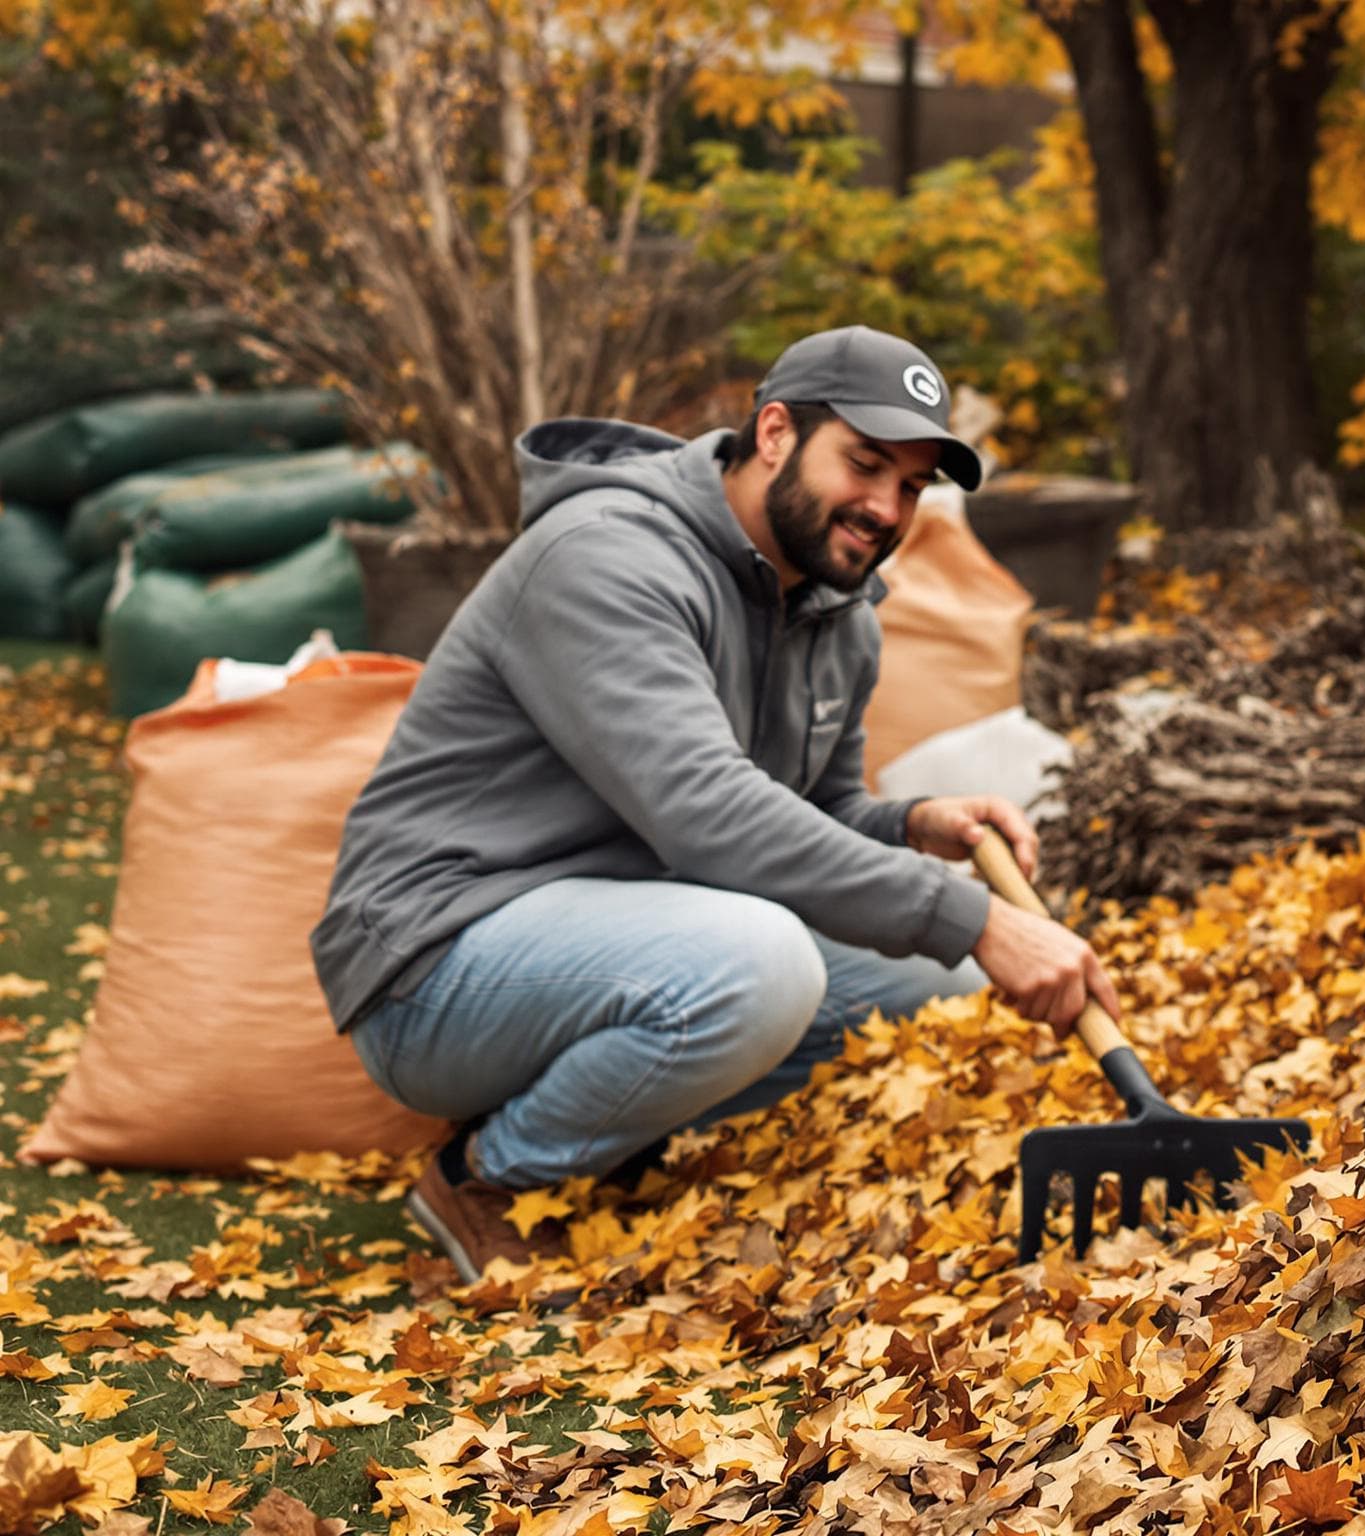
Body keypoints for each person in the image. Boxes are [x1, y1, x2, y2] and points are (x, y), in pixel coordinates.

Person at [312, 326, 1118, 1283]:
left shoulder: (836, 609)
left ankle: (601, 1124)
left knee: (948, 982)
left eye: (910, 485)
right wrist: (972, 916)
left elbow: (806, 809)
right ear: (774, 432)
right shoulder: (606, 557)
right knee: (765, 965)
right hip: (438, 963)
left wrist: (910, 825)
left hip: (626, 930)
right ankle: (486, 1173)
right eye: (863, 464)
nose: (885, 507)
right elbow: (709, 814)